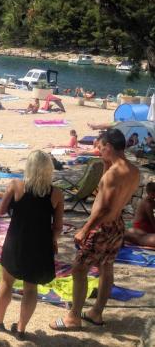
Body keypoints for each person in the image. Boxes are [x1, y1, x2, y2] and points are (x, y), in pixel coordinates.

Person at [49, 128, 140, 331]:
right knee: (106, 267)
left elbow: (105, 207)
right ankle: (96, 312)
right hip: (117, 224)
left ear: (109, 147)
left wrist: (85, 229)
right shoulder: (133, 170)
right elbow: (114, 199)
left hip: (101, 226)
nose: (99, 151)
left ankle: (73, 317)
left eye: (101, 147)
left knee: (79, 268)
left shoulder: (113, 174)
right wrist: (106, 165)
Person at [0, 150, 64, 340]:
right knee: (31, 288)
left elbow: (1, 210)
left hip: (17, 242)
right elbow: (58, 227)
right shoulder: (57, 194)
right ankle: (20, 329)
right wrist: (53, 240)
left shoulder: (16, 185)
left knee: (6, 282)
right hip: (40, 245)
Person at [125, 182, 155, 247]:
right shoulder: (148, 204)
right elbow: (152, 220)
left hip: (143, 224)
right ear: (151, 193)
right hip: (140, 226)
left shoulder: (150, 200)